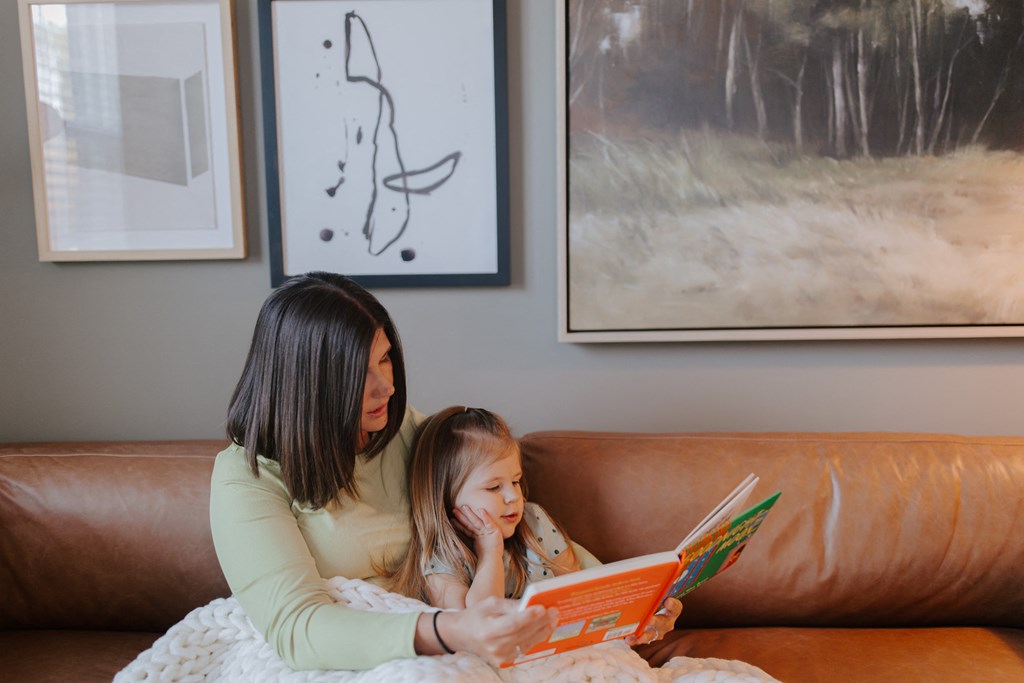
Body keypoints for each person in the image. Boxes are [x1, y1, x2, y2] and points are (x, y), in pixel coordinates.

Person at [209, 271, 680, 672]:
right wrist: (451, 630)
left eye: (385, 358)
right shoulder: (246, 478)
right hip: (341, 654)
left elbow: (527, 531)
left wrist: (628, 599)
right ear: (308, 383)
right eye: (359, 373)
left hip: (453, 636)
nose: (386, 386)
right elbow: (296, 629)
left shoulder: (409, 433)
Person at [388, 406, 581, 609]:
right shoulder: (442, 559)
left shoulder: (533, 520)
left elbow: (578, 590)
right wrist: (490, 553)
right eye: (494, 487)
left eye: (515, 481)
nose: (514, 496)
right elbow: (473, 620)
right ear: (446, 496)